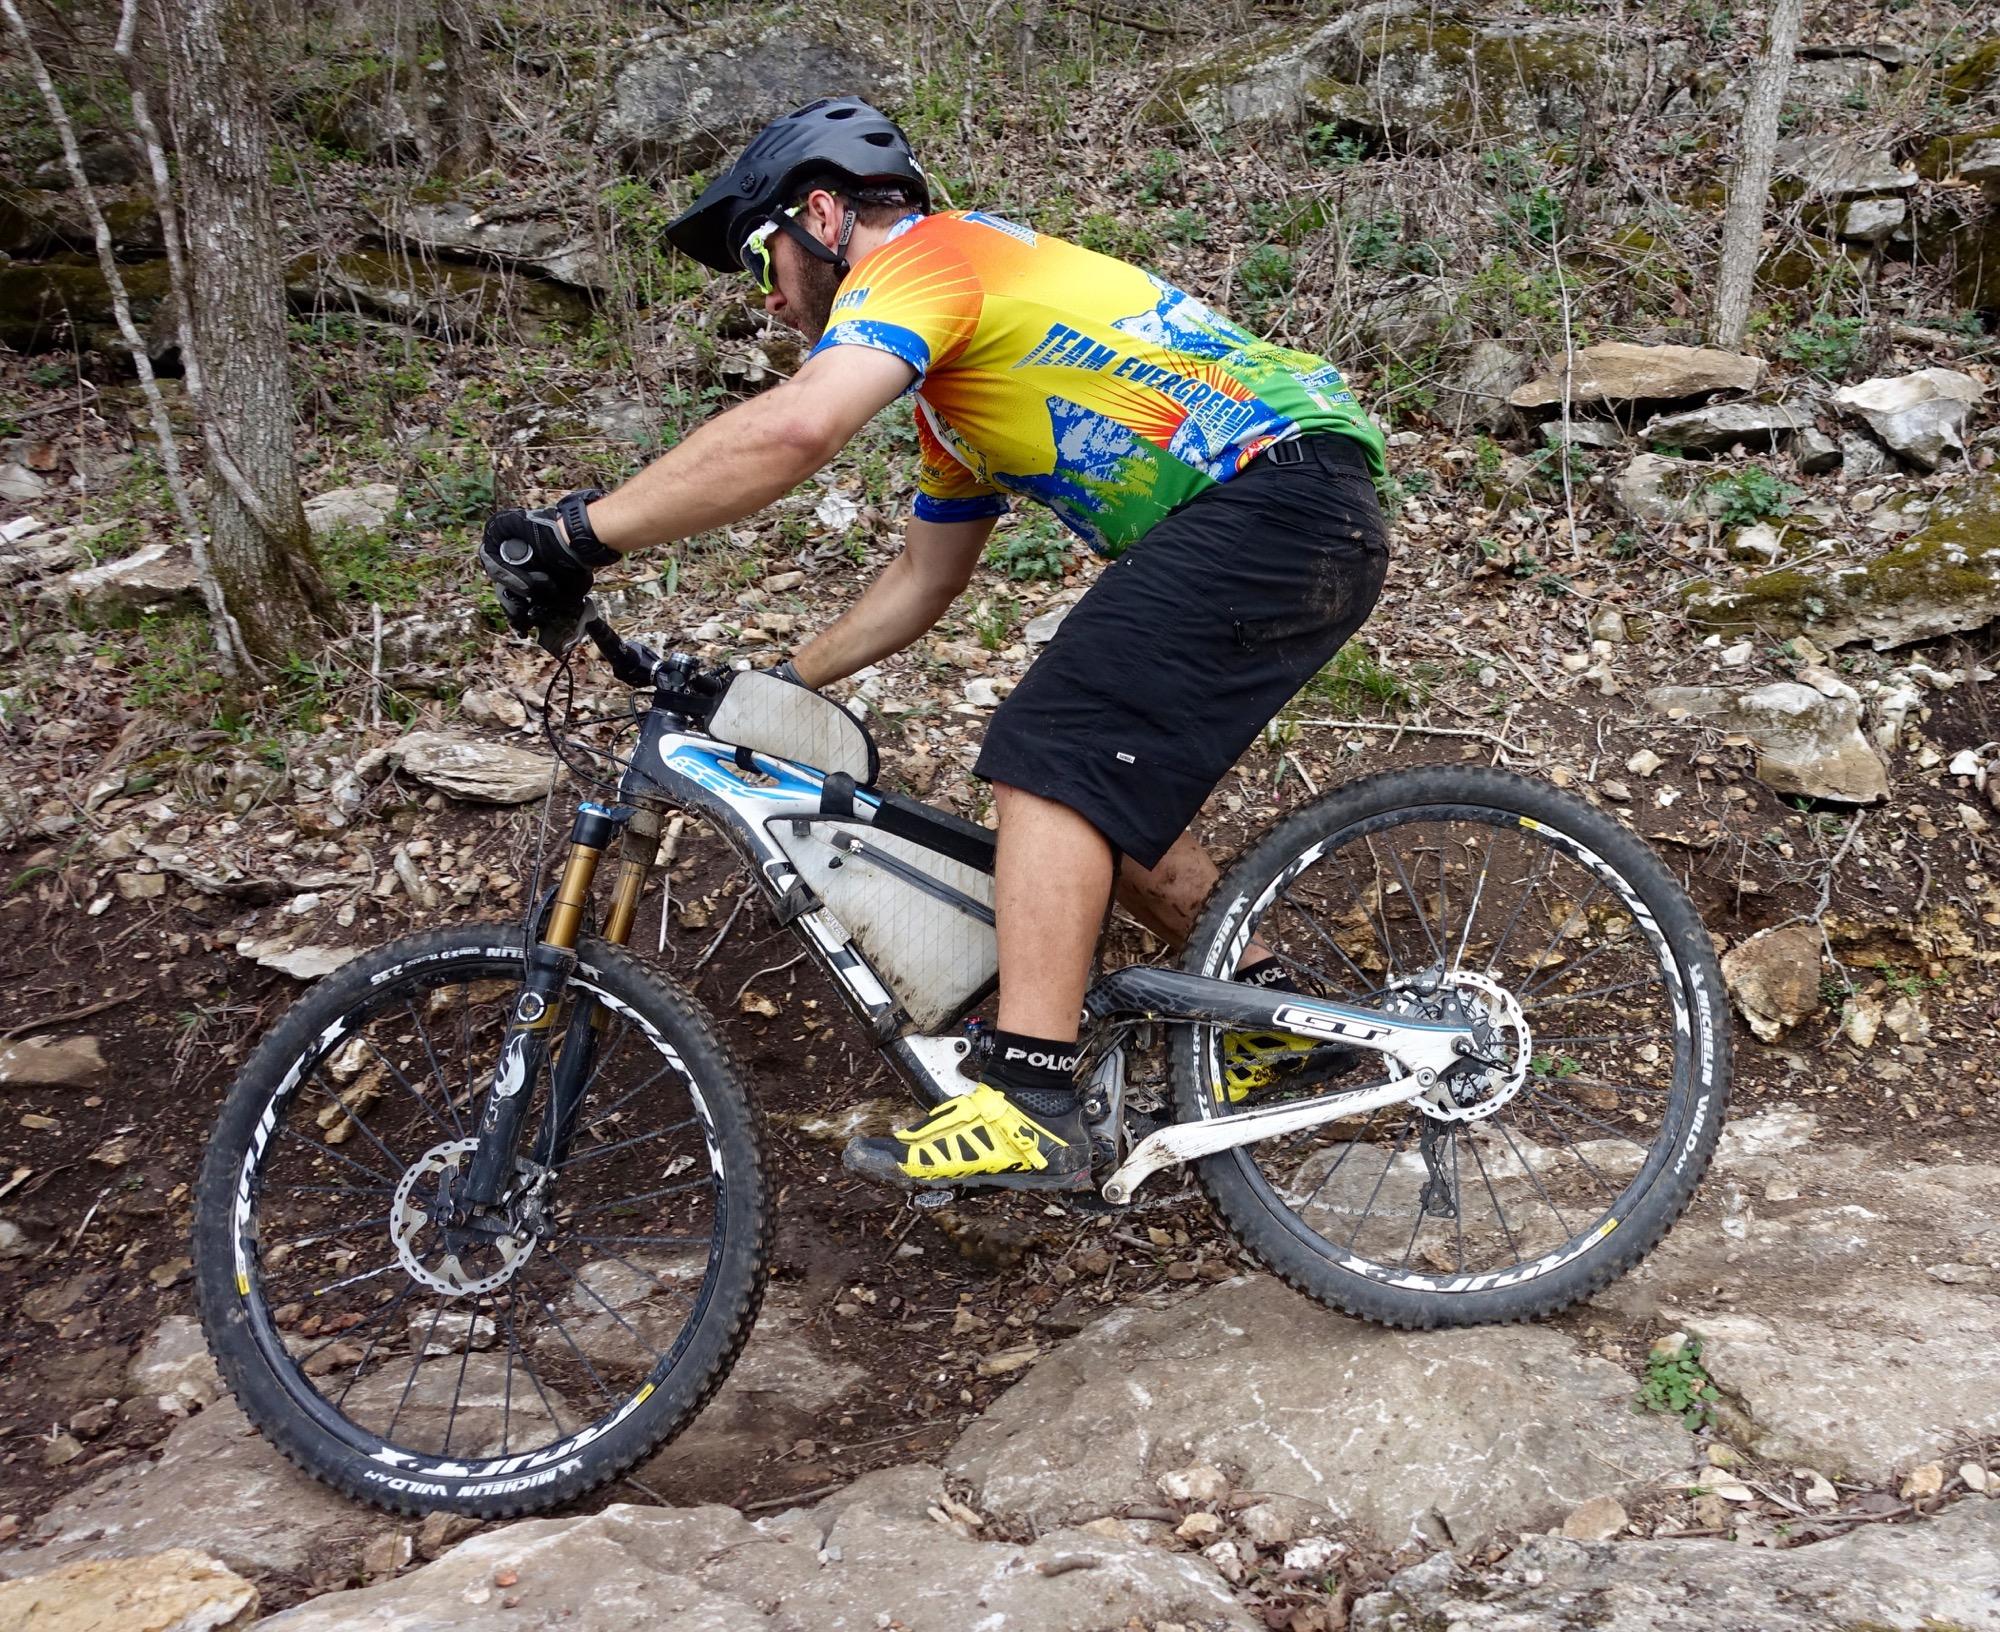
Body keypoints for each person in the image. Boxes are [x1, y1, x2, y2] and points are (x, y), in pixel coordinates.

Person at [480, 97, 1391, 1194]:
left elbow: (793, 428)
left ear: (820, 215)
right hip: (1292, 513)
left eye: (765, 258)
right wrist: (775, 689)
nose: (769, 299)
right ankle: (1269, 1010)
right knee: (1096, 779)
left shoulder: (930, 258)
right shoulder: (958, 396)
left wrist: (575, 534)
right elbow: (924, 578)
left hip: (1272, 501)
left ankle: (1027, 1099)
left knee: (1048, 751)